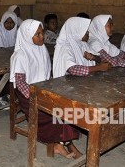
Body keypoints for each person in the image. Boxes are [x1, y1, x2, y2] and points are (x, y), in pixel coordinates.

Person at [10, 19, 82, 159]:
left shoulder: (41, 49)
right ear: (27, 36)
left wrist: (50, 92)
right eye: (37, 34)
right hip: (28, 95)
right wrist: (37, 97)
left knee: (69, 107)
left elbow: (47, 74)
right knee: (57, 114)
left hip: (42, 89)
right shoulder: (20, 55)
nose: (42, 37)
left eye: (42, 33)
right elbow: (20, 83)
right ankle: (65, 144)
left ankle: (60, 143)